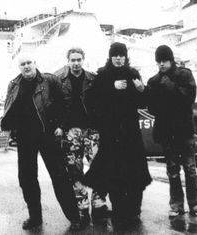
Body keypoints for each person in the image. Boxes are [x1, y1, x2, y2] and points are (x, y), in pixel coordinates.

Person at [0, 54, 82, 231]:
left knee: (59, 176)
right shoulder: (14, 84)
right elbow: (9, 108)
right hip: (25, 138)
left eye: (29, 63)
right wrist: (8, 128)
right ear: (19, 67)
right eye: (23, 64)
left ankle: (74, 217)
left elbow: (65, 103)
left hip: (48, 136)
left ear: (35, 63)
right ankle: (35, 217)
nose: (27, 66)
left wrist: (61, 125)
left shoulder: (50, 80)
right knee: (27, 179)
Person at [83, 42, 152, 227]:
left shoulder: (133, 74)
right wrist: (111, 88)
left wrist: (142, 90)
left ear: (126, 57)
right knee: (115, 174)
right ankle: (120, 211)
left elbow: (144, 103)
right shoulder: (103, 76)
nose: (119, 58)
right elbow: (91, 100)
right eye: (115, 55)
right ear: (110, 57)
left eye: (121, 55)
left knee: (136, 173)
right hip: (111, 134)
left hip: (131, 134)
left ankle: (134, 210)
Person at [145, 45, 197, 217]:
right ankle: (176, 205)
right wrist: (149, 94)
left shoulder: (185, 75)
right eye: (159, 61)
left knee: (190, 169)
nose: (161, 64)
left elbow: (190, 97)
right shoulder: (154, 81)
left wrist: (171, 86)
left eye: (164, 60)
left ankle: (195, 204)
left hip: (184, 130)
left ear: (171, 60)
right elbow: (152, 108)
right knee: (172, 170)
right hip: (167, 132)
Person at [55, 47, 108, 222]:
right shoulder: (60, 81)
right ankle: (82, 205)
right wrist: (60, 126)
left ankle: (98, 203)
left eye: (79, 59)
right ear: (68, 61)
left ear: (83, 60)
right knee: (74, 169)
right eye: (73, 60)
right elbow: (57, 107)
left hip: (92, 130)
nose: (76, 63)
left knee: (98, 167)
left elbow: (102, 103)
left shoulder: (93, 79)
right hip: (72, 131)